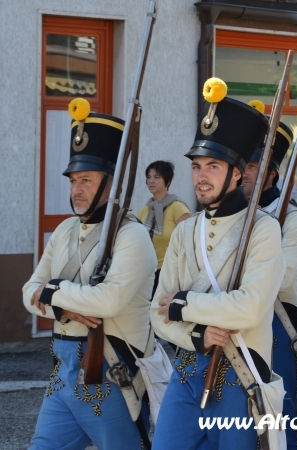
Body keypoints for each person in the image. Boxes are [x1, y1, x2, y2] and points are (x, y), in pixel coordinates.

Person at [150, 78, 285, 448]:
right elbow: (157, 311)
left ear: (237, 173)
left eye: (213, 166)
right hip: (188, 369)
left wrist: (185, 304)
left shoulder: (263, 229)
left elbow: (249, 308)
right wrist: (195, 333)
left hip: (239, 376)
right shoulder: (186, 230)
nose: (201, 176)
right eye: (196, 166)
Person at [22, 99, 157, 449]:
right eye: (73, 180)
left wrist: (51, 294)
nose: (76, 189)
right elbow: (28, 290)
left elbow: (108, 300)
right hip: (63, 367)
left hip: (111, 371)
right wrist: (64, 306)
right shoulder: (66, 230)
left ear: (110, 184)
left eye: (86, 180)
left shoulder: (133, 235)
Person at [241, 119, 297, 450]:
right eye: (243, 164)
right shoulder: (230, 214)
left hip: (278, 324)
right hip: (236, 321)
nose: (244, 172)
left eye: (253, 165)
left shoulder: (292, 218)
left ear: (272, 174)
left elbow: (282, 279)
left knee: (283, 420)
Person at [138, 160, 191, 296]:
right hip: (145, 271)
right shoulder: (145, 210)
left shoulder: (178, 208)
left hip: (168, 272)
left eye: (157, 177)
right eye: (148, 177)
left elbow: (189, 244)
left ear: (167, 181)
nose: (151, 181)